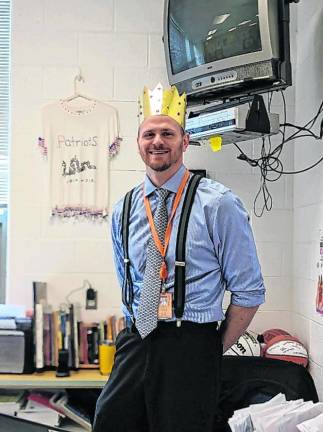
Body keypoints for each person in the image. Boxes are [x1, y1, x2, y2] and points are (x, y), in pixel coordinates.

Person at [93, 84, 265, 432]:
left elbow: (249, 293)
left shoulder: (219, 205)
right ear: (139, 142)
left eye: (167, 133)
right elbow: (128, 284)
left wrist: (209, 349)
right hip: (136, 339)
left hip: (191, 343)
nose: (158, 141)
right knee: (110, 422)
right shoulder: (122, 210)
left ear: (184, 142)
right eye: (149, 133)